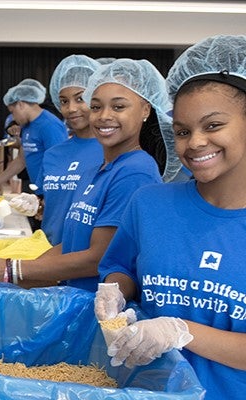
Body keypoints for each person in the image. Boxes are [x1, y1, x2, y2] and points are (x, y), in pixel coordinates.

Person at [95, 35, 246, 399]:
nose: (194, 142)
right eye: (182, 131)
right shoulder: (149, 204)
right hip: (142, 389)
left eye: (212, 126)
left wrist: (181, 331)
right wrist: (114, 291)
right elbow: (122, 268)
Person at [0, 58, 181, 292]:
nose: (104, 116)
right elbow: (72, 244)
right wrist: (21, 272)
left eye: (118, 107)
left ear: (145, 109)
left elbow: (99, 258)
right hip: (71, 294)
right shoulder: (95, 171)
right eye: (96, 107)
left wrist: (12, 269)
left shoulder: (135, 171)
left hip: (96, 307)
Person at [38, 54, 103, 246]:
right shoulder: (53, 154)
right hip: (48, 257)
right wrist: (39, 205)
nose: (71, 109)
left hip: (86, 261)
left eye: (80, 99)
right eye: (64, 101)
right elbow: (52, 203)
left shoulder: (112, 153)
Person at [0, 79, 68, 196]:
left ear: (21, 104)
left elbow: (60, 163)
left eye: (13, 112)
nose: (13, 118)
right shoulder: (27, 126)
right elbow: (21, 160)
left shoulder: (50, 125)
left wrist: (48, 197)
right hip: (37, 192)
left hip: (51, 194)